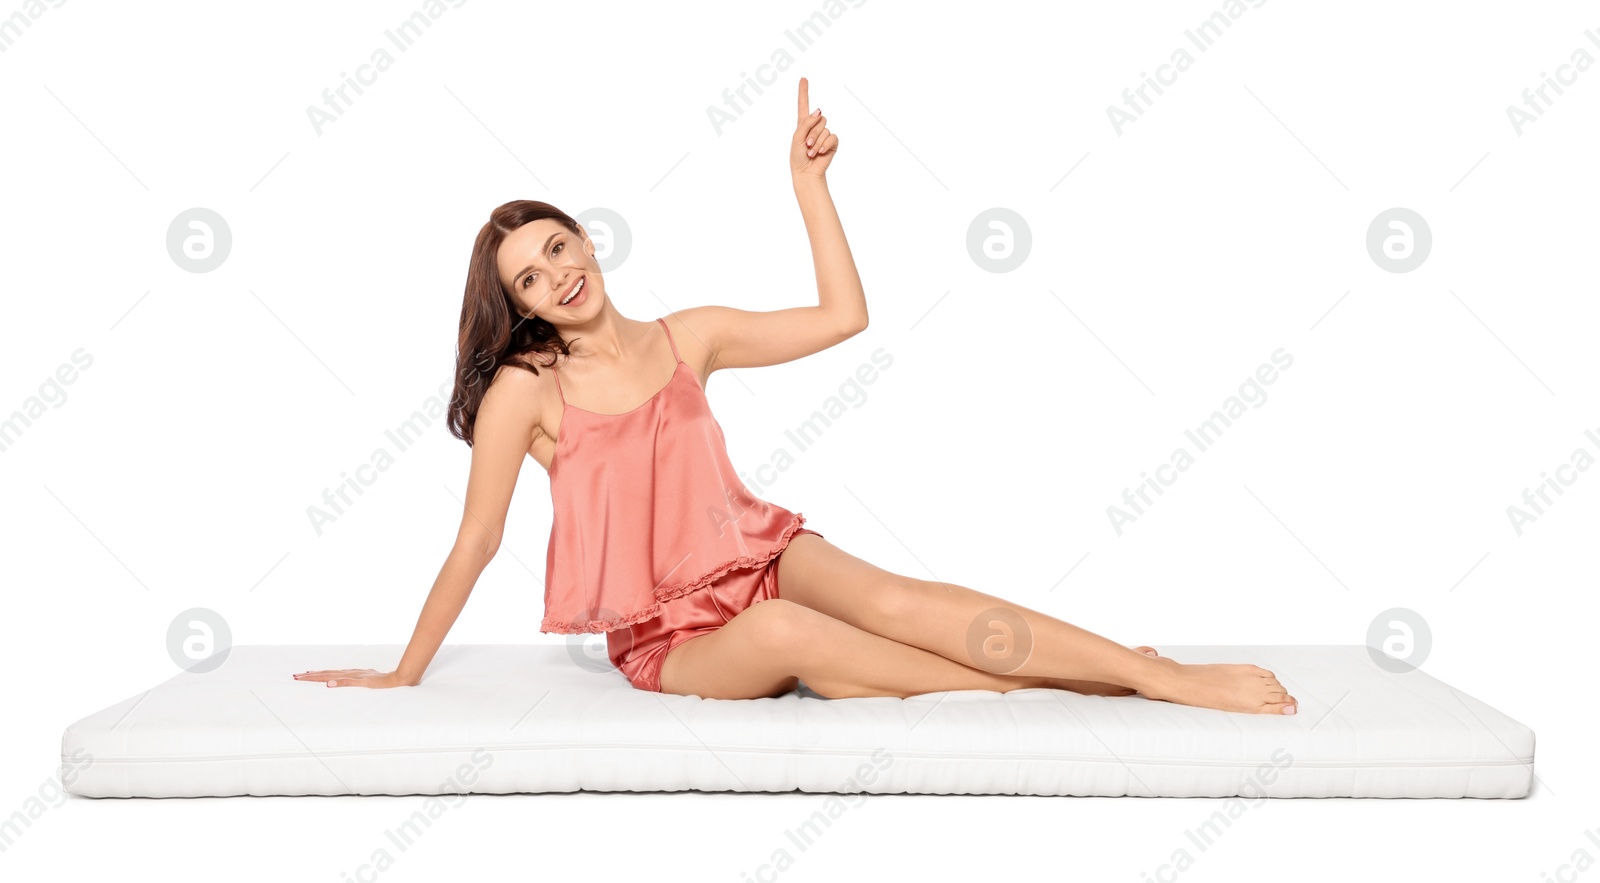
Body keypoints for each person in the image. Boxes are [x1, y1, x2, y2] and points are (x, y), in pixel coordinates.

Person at [294, 78, 1297, 715]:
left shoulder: (690, 336)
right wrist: (402, 670)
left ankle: (1149, 672)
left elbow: (842, 316)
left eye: (558, 245)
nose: (555, 273)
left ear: (587, 240)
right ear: (517, 308)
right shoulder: (528, 389)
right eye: (528, 277)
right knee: (788, 640)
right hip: (668, 633)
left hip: (761, 552)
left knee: (903, 602)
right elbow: (474, 541)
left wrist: (808, 188)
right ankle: (1075, 683)